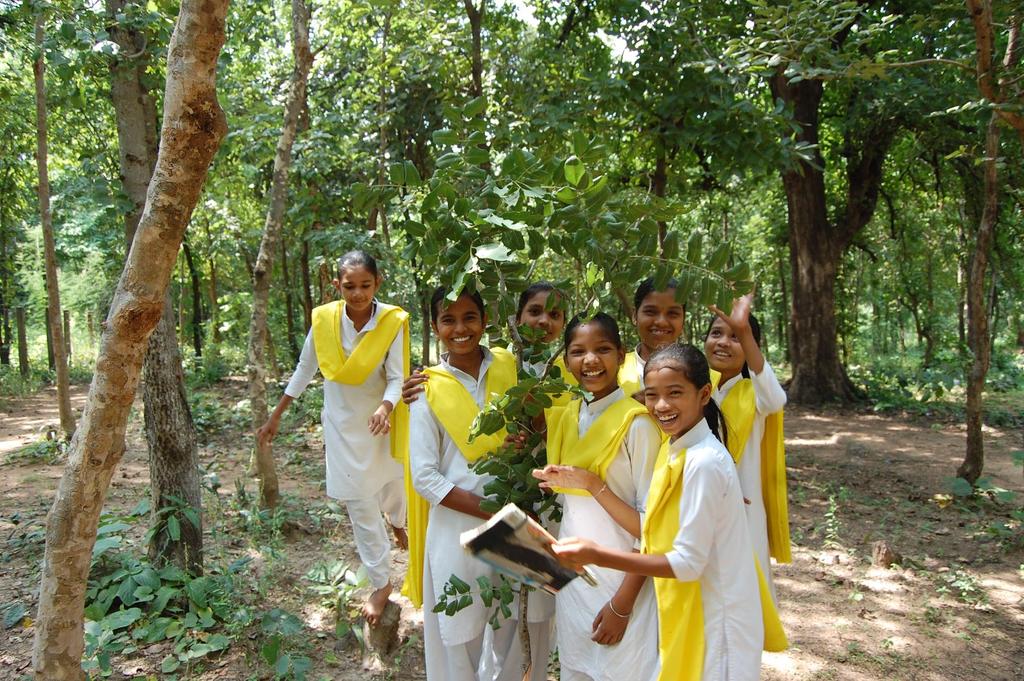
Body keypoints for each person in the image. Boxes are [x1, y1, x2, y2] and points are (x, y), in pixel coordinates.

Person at [551, 344, 787, 681]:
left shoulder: (703, 462)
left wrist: (597, 555)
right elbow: (652, 528)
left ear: (704, 394)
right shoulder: (677, 450)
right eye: (652, 395)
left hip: (718, 623)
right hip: (695, 613)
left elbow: (687, 564)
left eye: (675, 393)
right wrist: (591, 484)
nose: (661, 406)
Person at [256, 250, 408, 625]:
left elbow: (396, 376)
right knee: (360, 504)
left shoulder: (393, 321)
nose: (358, 294)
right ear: (336, 285)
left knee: (394, 486)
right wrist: (276, 415)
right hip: (342, 427)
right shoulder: (324, 321)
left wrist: (386, 408)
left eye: (365, 286)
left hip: (383, 422)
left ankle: (400, 521)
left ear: (378, 283)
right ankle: (382, 582)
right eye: (350, 286)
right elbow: (305, 368)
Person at [408, 287, 538, 681]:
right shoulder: (425, 388)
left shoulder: (508, 366)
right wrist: (489, 511)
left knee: (513, 624)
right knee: (459, 633)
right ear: (434, 327)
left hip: (515, 517)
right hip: (457, 524)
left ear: (485, 322)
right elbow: (424, 477)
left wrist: (524, 437)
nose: (460, 328)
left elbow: (539, 421)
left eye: (470, 318)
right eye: (448, 320)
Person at [531, 313, 661, 681]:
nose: (590, 360)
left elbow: (652, 525)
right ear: (566, 360)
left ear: (621, 354)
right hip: (576, 588)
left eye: (602, 349)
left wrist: (622, 605)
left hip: (625, 588)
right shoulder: (567, 418)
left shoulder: (638, 424)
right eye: (578, 351)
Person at [705, 293, 790, 600]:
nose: (724, 342)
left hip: (745, 513)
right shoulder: (694, 390)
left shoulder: (755, 393)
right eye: (716, 333)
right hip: (699, 506)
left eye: (736, 337)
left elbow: (776, 400)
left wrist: (745, 330)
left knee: (741, 599)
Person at [619, 277, 685, 396]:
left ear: (683, 320)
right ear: (635, 316)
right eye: (651, 312)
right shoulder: (614, 370)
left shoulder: (702, 374)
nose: (661, 322)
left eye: (672, 313)